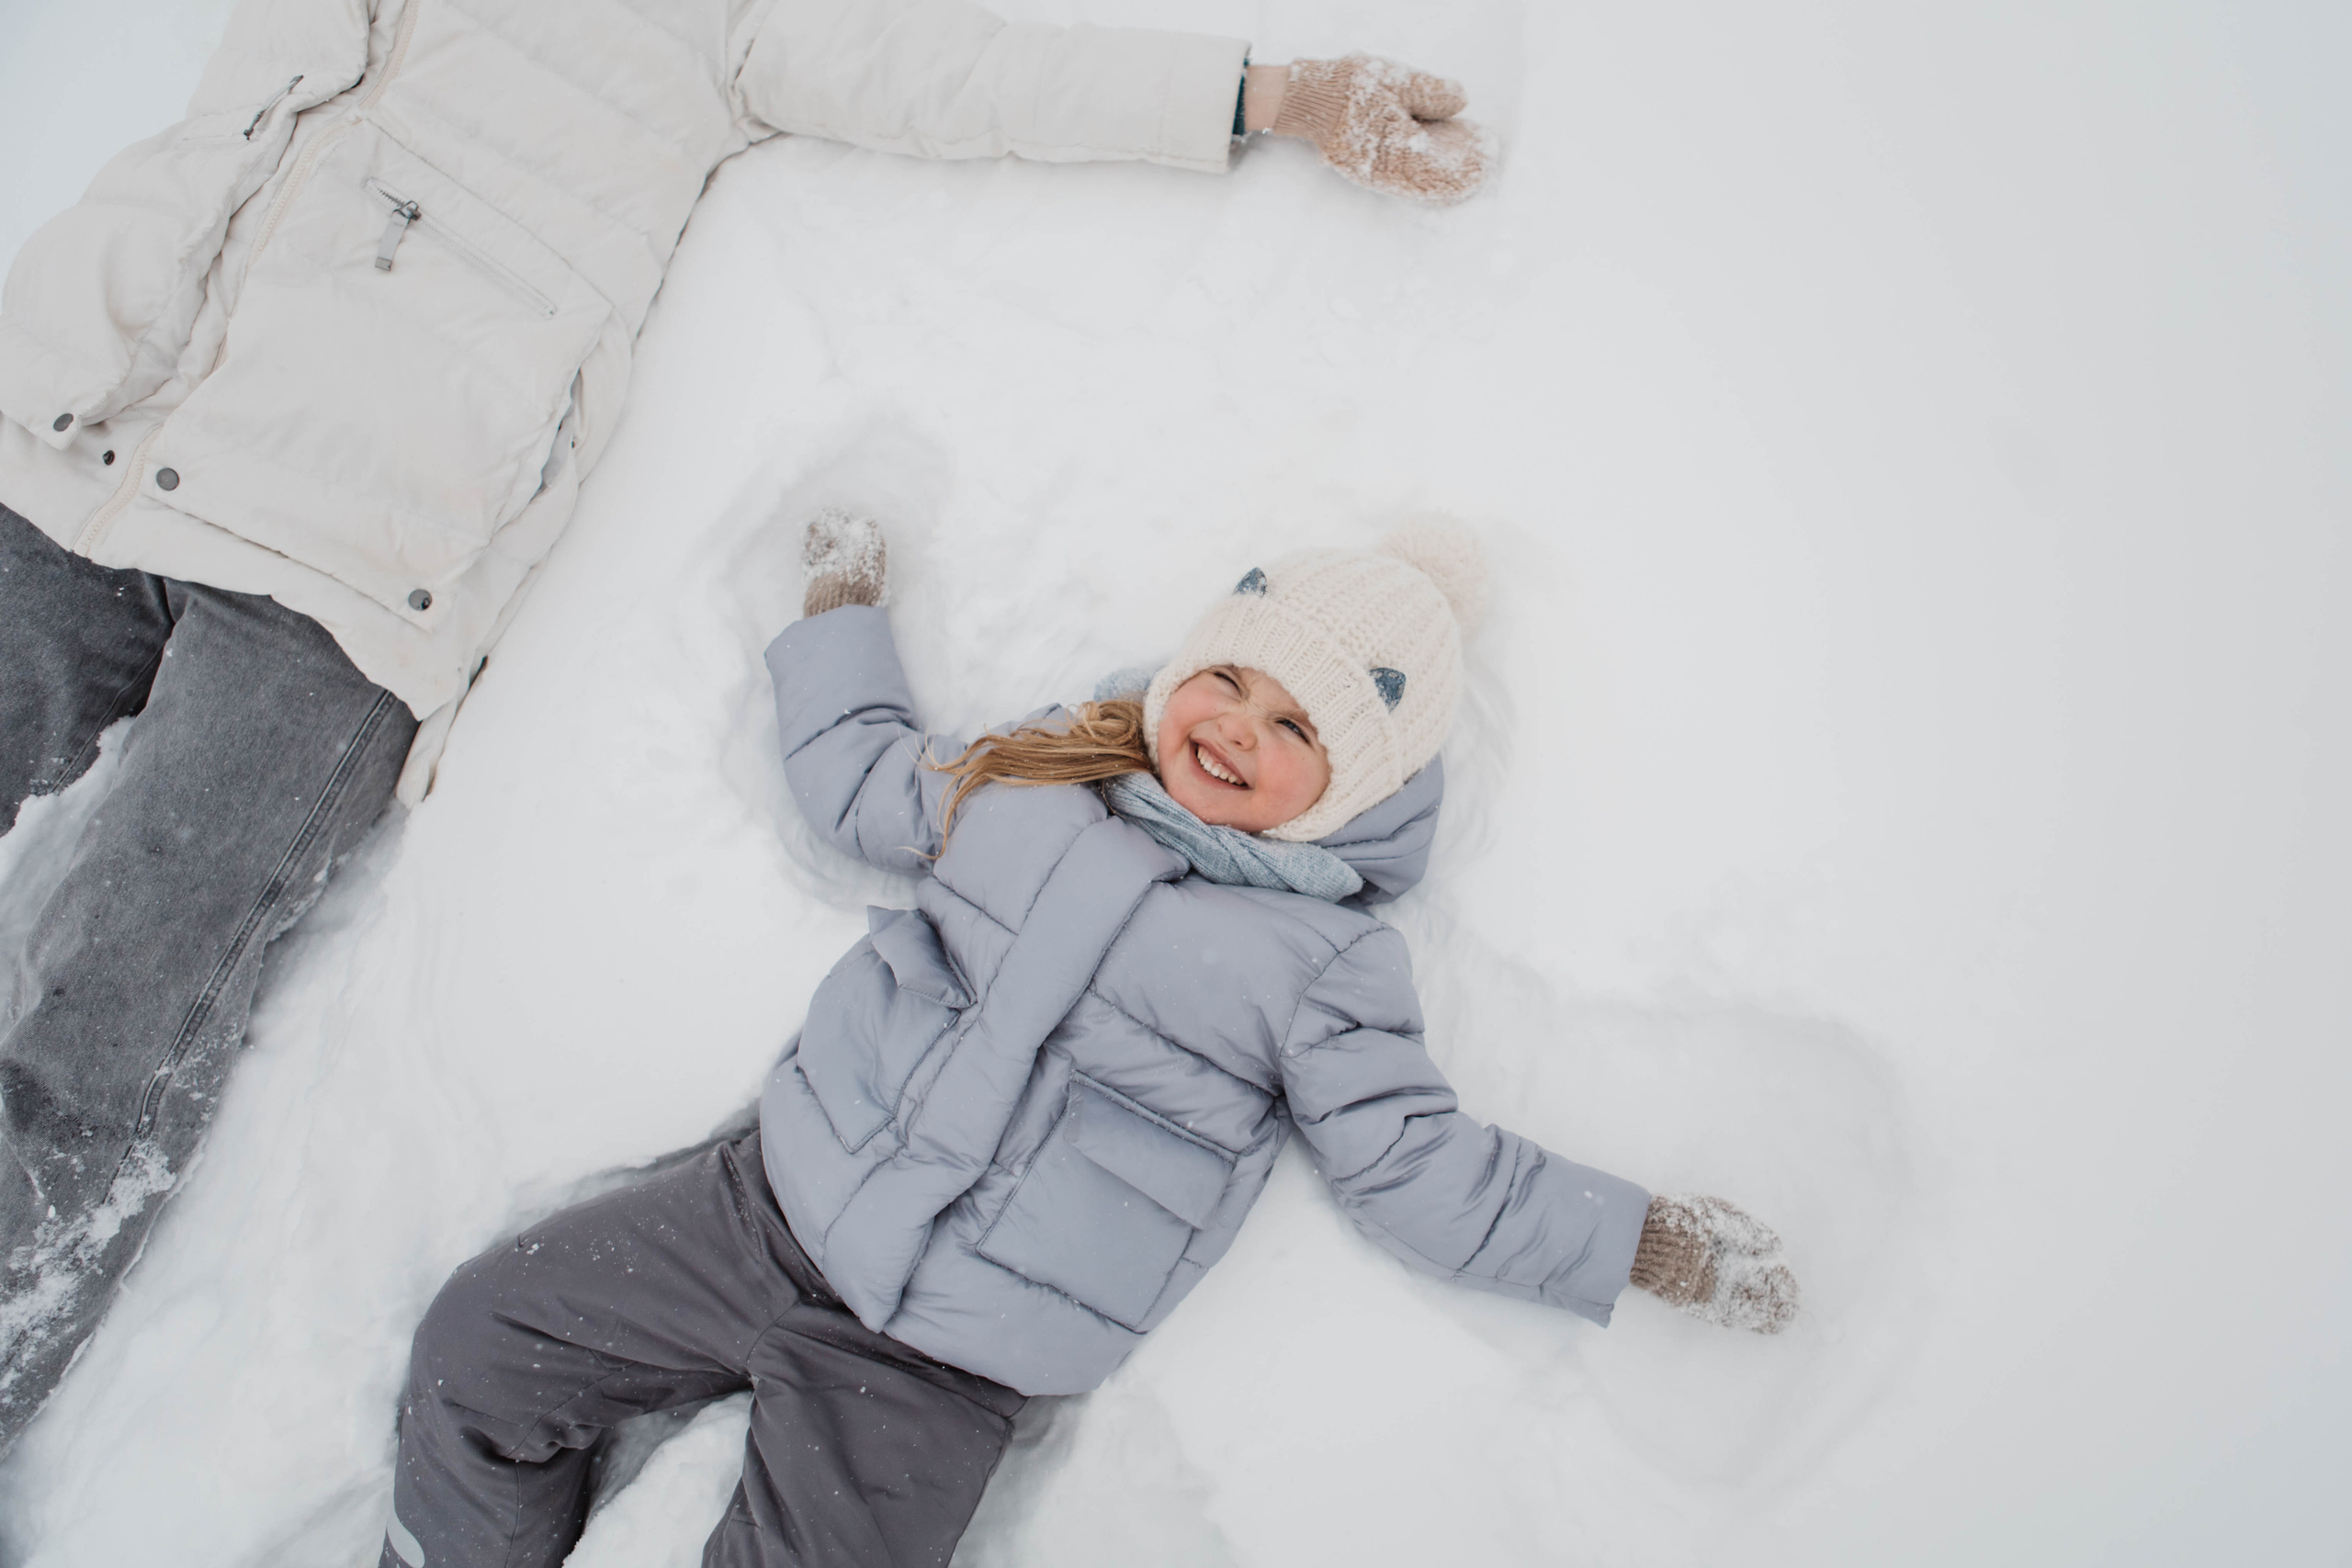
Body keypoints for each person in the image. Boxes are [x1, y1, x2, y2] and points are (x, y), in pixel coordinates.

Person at [0, 0, 1492, 1452]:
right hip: (59, 432)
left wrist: (1264, 92)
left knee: (111, 1017)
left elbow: (966, 67)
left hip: (334, 570)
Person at [381, 512, 1800, 1567]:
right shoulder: (1040, 779)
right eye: (1230, 680)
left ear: (1355, 788)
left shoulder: (1321, 966)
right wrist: (839, 617)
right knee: (482, 1345)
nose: (1236, 727)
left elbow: (1421, 1172)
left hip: (942, 1367)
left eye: (1295, 724)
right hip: (764, 1212)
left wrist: (1643, 1244)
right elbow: (865, 782)